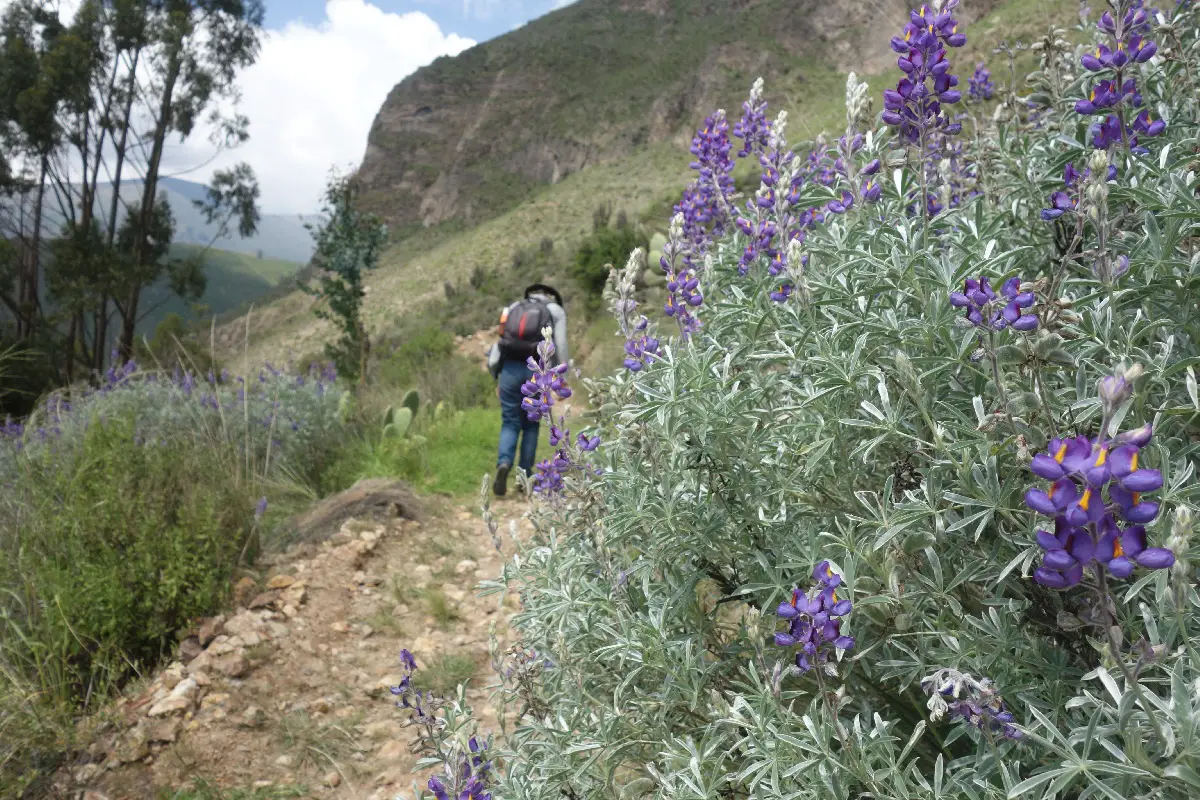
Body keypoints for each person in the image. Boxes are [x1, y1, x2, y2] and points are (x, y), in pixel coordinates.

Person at [487, 284, 568, 496]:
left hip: (509, 371)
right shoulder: (555, 311)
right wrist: (561, 379)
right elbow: (559, 344)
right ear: (551, 296)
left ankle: (504, 464)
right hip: (537, 373)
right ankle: (524, 477)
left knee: (510, 421)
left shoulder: (514, 306)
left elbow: (499, 344)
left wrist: (497, 375)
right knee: (531, 425)